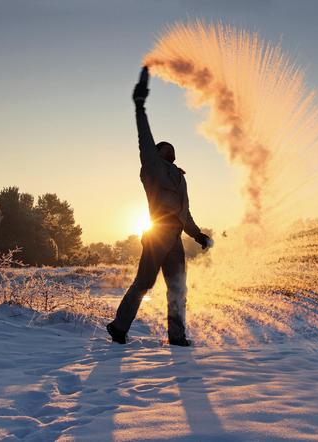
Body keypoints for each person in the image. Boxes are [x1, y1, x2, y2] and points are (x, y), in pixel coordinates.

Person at [106, 66, 212, 347]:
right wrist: (140, 106)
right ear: (158, 152)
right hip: (157, 236)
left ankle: (177, 337)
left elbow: (184, 213)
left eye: (172, 148)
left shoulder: (179, 177)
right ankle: (119, 327)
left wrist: (197, 235)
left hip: (175, 237)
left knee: (178, 289)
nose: (170, 149)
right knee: (144, 283)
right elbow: (144, 137)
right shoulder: (152, 167)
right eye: (165, 147)